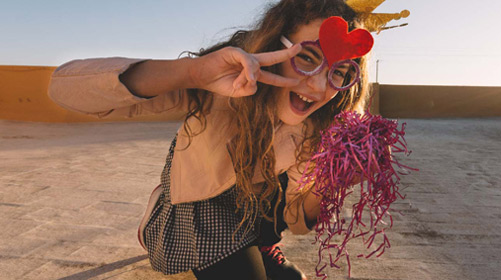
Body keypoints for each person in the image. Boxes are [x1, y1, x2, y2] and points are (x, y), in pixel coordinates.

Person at [47, 0, 377, 279]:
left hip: (251, 220)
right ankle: (161, 225)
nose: (319, 87)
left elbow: (296, 219)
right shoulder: (218, 88)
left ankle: (260, 243)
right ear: (274, 45)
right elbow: (64, 90)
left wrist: (333, 182)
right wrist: (193, 73)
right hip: (196, 210)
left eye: (340, 72)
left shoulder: (318, 128)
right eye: (306, 57)